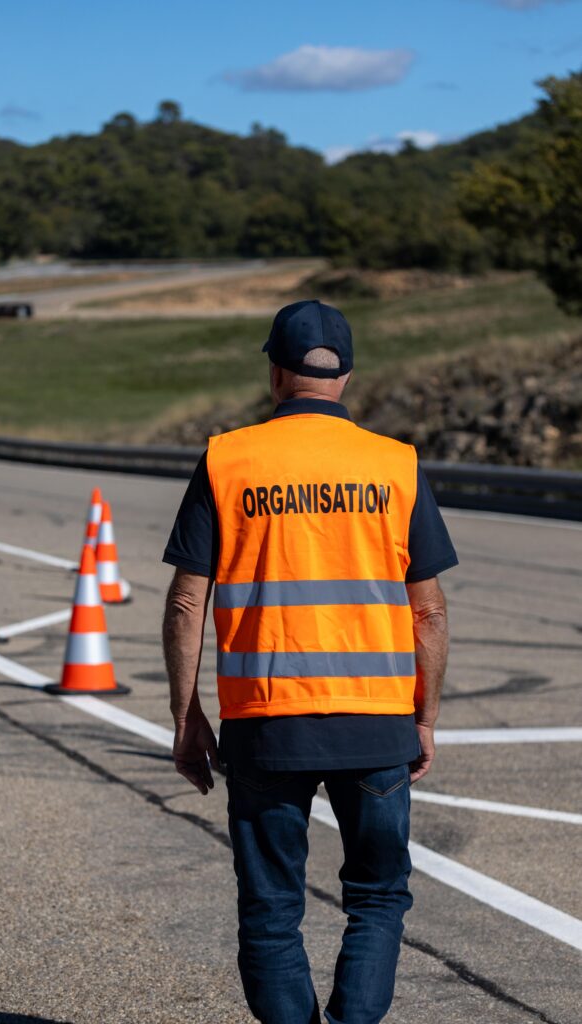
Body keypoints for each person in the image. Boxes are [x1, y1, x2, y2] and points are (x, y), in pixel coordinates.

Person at [162, 299, 457, 1024]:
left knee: (269, 909)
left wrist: (186, 717)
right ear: (345, 376)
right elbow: (429, 610)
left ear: (274, 373)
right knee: (378, 897)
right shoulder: (395, 465)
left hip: (266, 725)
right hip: (376, 724)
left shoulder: (227, 460)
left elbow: (184, 603)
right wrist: (424, 716)